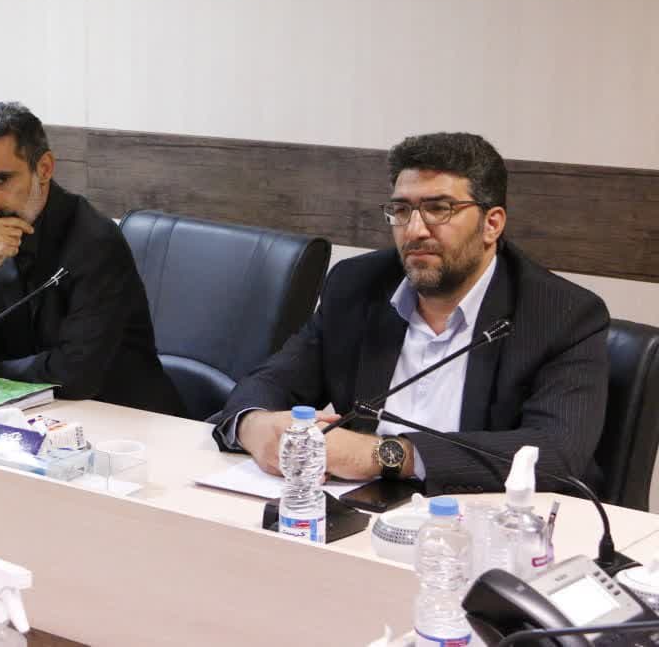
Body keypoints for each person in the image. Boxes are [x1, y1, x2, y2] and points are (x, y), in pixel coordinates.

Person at [211, 133, 609, 495]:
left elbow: (556, 453)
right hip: (362, 511)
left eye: (439, 209)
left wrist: (383, 455)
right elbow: (270, 381)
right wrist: (253, 425)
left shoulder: (561, 314)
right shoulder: (357, 286)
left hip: (486, 520)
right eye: (401, 210)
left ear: (492, 224)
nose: (415, 230)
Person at [0, 103, 183, 415]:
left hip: (122, 418)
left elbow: (77, 374)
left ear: (44, 168)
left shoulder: (95, 241)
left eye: (0, 181)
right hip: (23, 416)